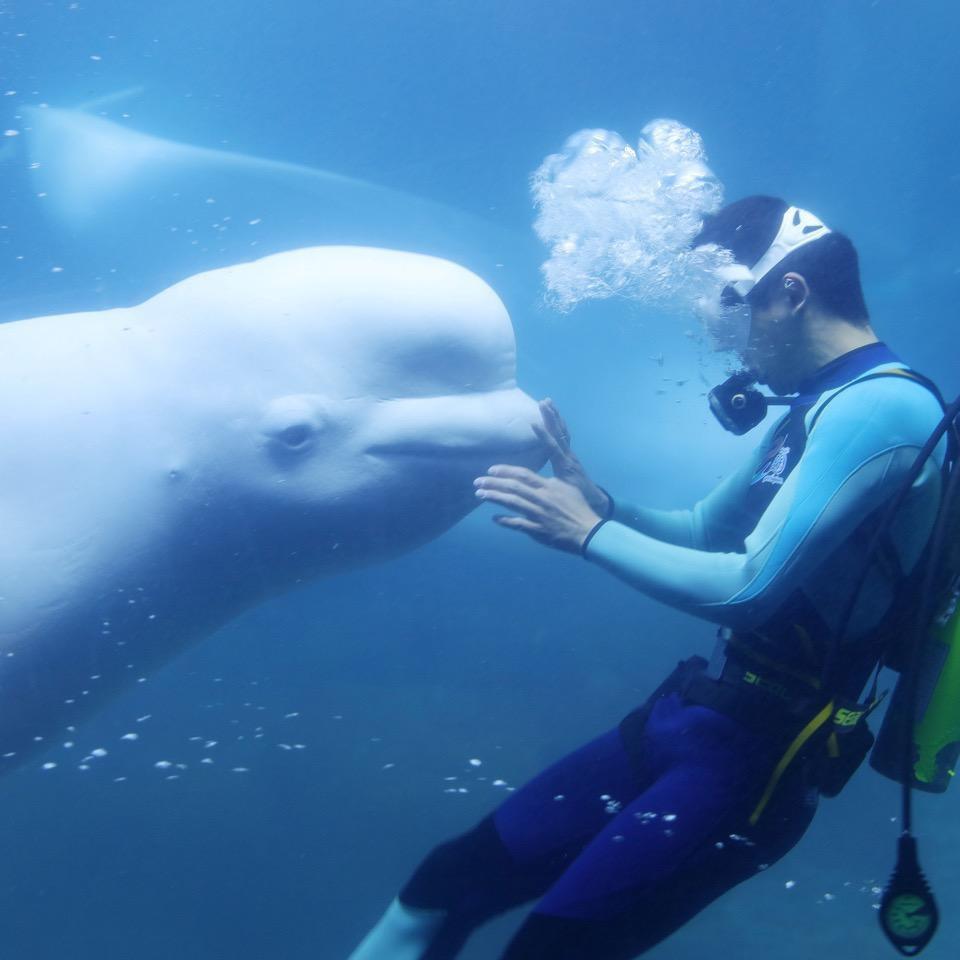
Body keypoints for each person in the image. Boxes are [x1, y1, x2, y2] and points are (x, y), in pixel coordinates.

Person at [345, 196, 947, 960]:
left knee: (546, 951)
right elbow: (705, 528)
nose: (721, 337)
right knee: (442, 886)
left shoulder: (880, 410)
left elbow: (748, 588)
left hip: (758, 763)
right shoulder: (820, 407)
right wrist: (605, 504)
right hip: (693, 717)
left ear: (792, 295)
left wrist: (590, 534)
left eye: (733, 312)